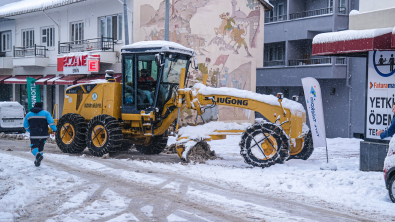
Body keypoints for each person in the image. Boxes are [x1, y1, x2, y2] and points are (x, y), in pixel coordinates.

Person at [23, 102, 57, 167]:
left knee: (34, 148)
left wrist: (30, 130)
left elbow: (25, 125)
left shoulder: (29, 114)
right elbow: (51, 122)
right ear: (41, 107)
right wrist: (54, 130)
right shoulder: (46, 113)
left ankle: (38, 156)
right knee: (40, 148)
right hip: (44, 134)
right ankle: (37, 161)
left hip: (34, 134)